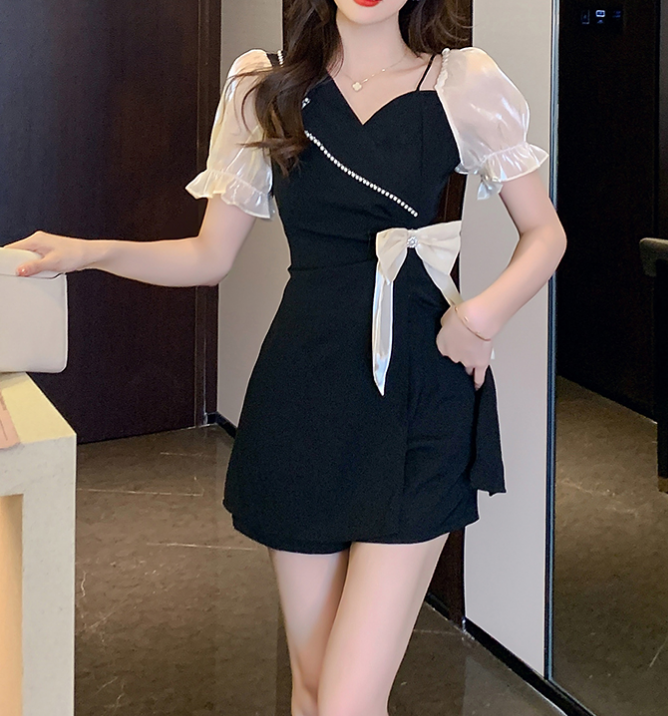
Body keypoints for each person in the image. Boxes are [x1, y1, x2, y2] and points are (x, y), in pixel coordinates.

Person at [7, 0, 567, 713]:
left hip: (419, 397)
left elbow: (544, 233)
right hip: (302, 395)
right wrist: (89, 253)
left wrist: (480, 317)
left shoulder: (463, 82)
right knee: (310, 689)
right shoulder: (264, 88)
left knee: (344, 702)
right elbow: (209, 256)